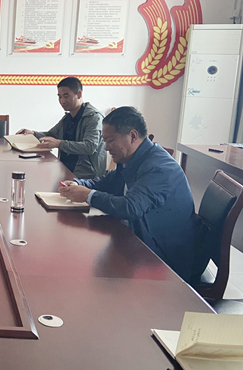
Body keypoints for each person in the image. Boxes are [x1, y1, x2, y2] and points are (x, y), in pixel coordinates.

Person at [58, 106, 197, 282]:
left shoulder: (159, 168)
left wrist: (88, 195)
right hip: (141, 238)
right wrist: (79, 184)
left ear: (132, 136)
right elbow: (106, 183)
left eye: (110, 141)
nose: (106, 148)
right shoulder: (133, 157)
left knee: (92, 276)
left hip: (165, 258)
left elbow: (131, 207)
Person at [16, 76, 106, 179]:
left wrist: (59, 144)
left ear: (79, 94)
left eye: (66, 96)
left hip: (86, 176)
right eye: (59, 96)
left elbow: (90, 147)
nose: (62, 101)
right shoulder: (68, 117)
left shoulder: (94, 117)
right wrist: (33, 133)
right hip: (65, 170)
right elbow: (52, 135)